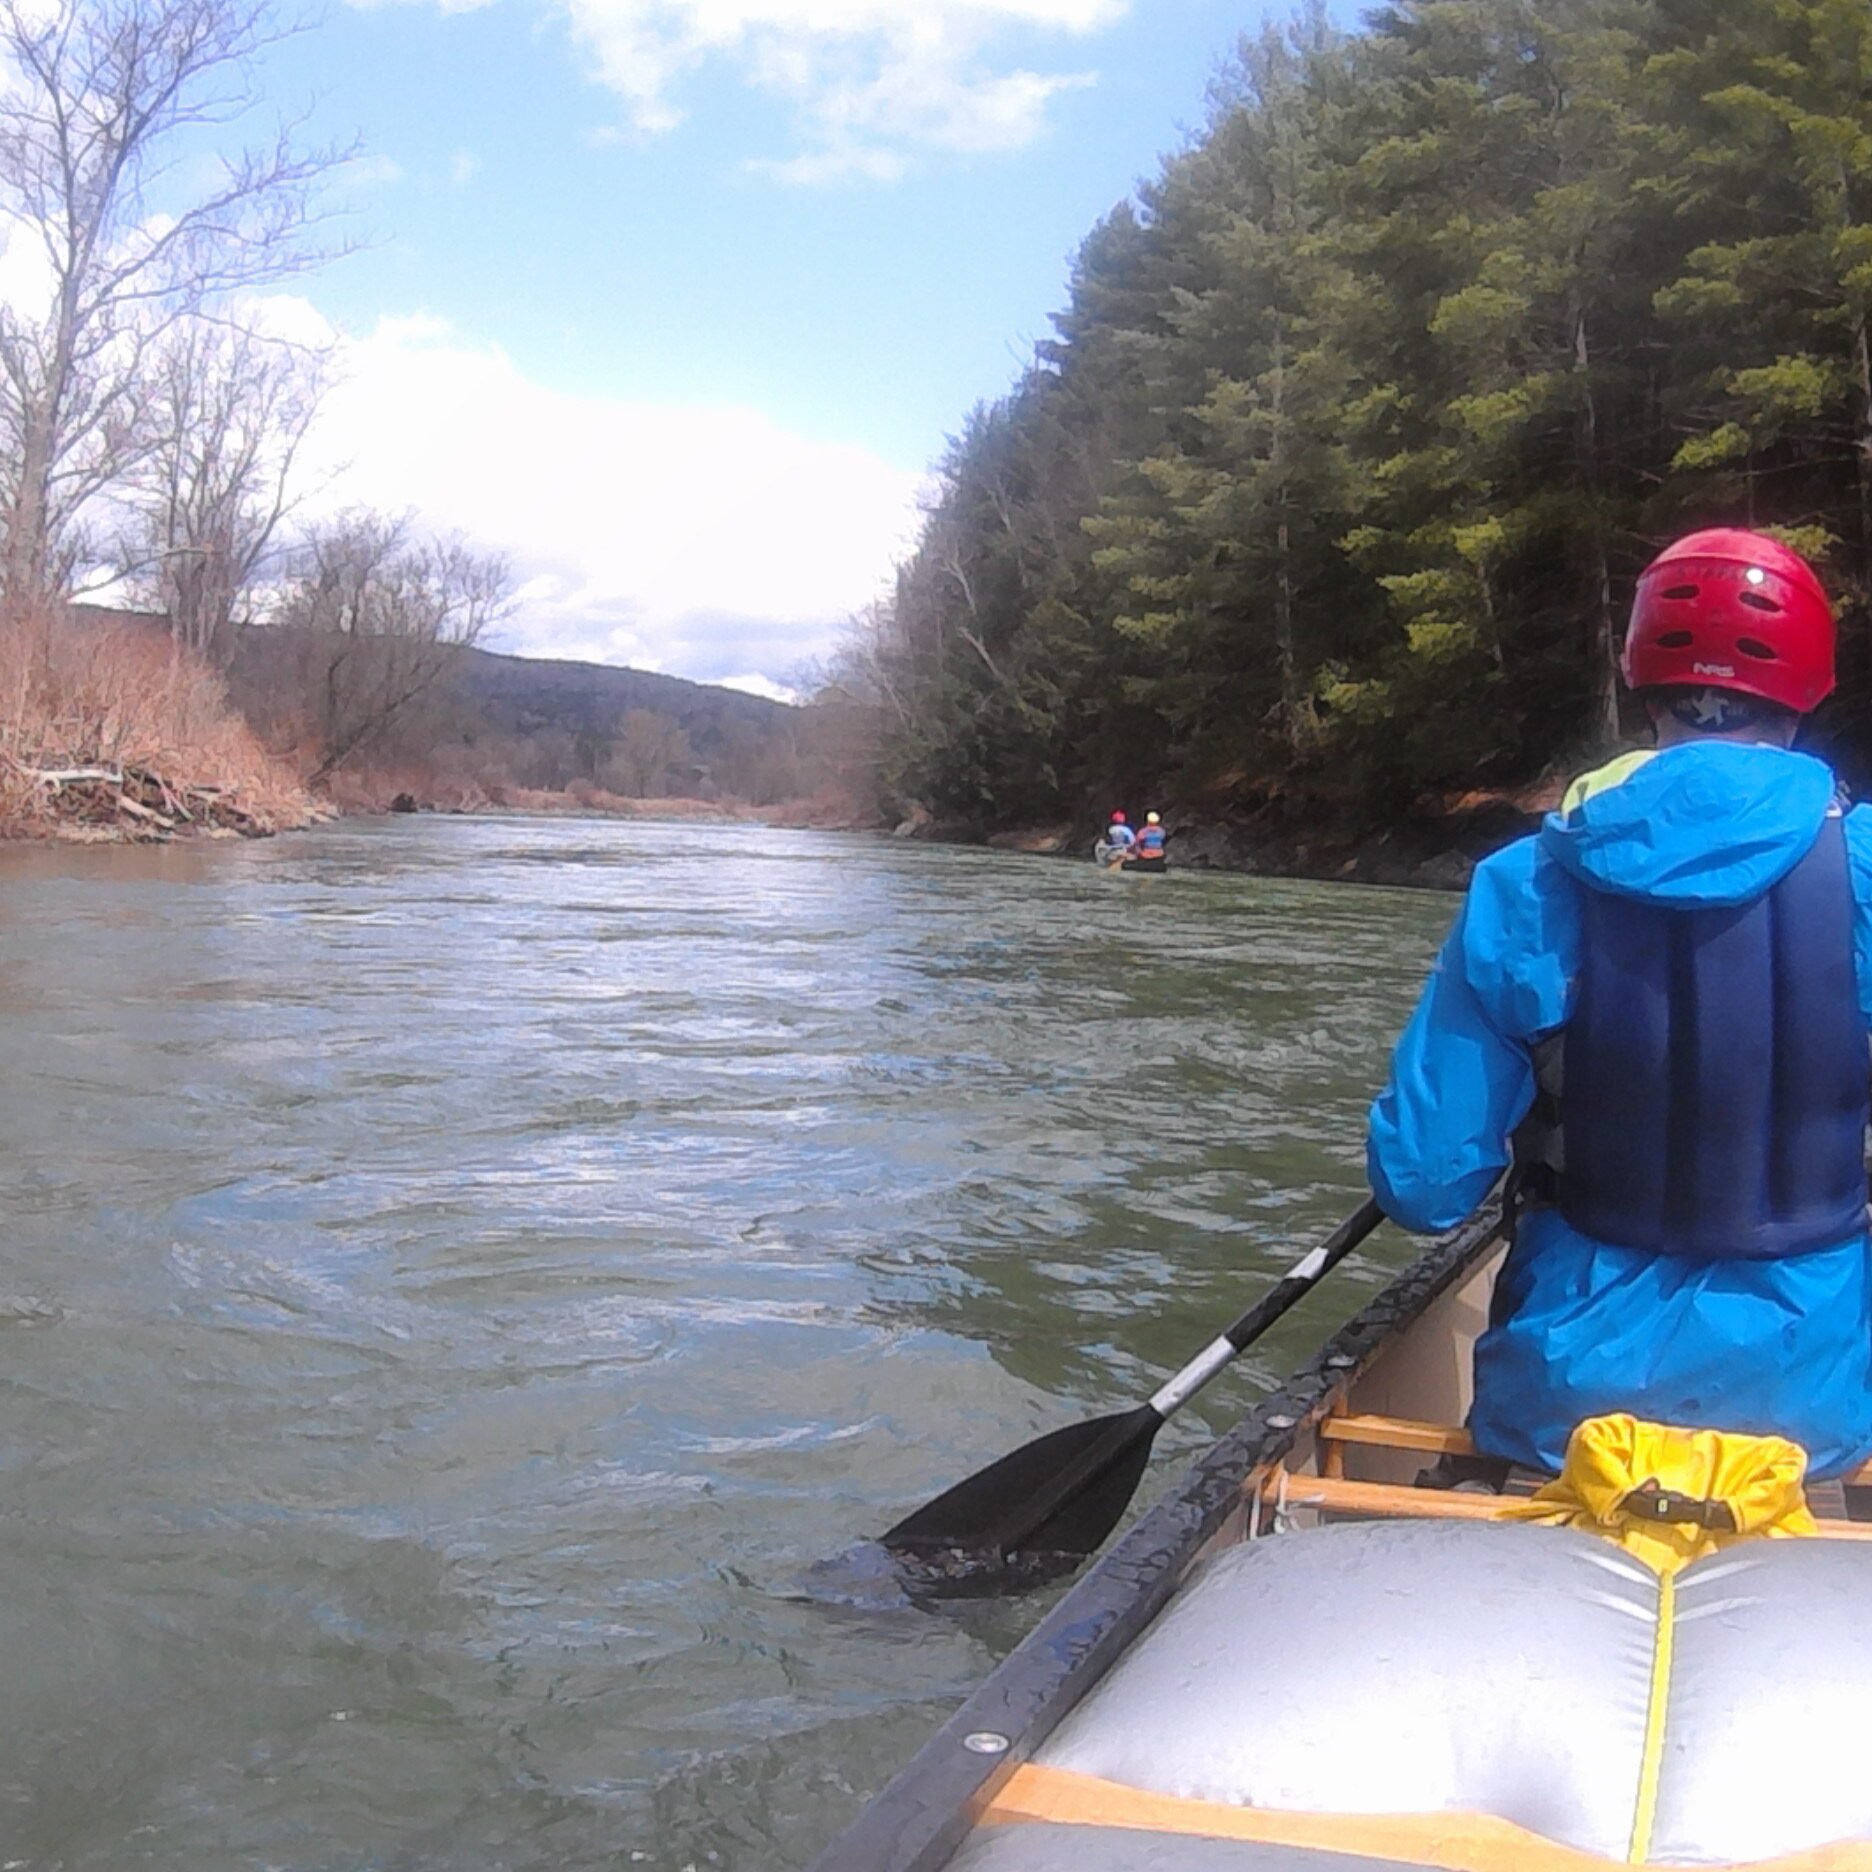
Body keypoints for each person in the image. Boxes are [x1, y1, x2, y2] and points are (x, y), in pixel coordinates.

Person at [1367, 528, 1872, 1485]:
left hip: (1565, 1405)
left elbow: (1425, 1186)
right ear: (1811, 684)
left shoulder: (1522, 884)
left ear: (1641, 675)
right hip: (1813, 1415)